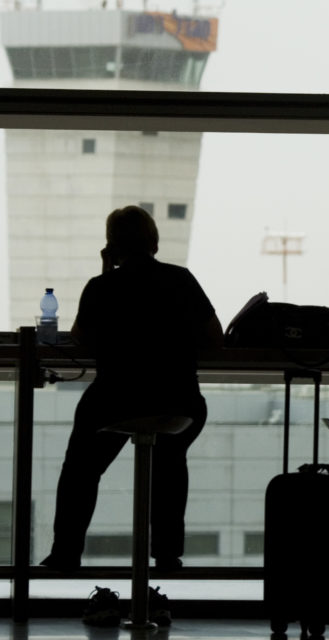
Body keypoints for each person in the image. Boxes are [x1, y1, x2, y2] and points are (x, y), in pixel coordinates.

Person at [40, 205, 223, 573]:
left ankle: (65, 553)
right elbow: (215, 338)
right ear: (153, 241)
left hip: (117, 399)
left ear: (112, 246)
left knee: (81, 469)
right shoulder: (181, 279)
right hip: (178, 399)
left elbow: (81, 341)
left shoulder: (102, 286)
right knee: (169, 462)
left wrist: (107, 272)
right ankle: (167, 554)